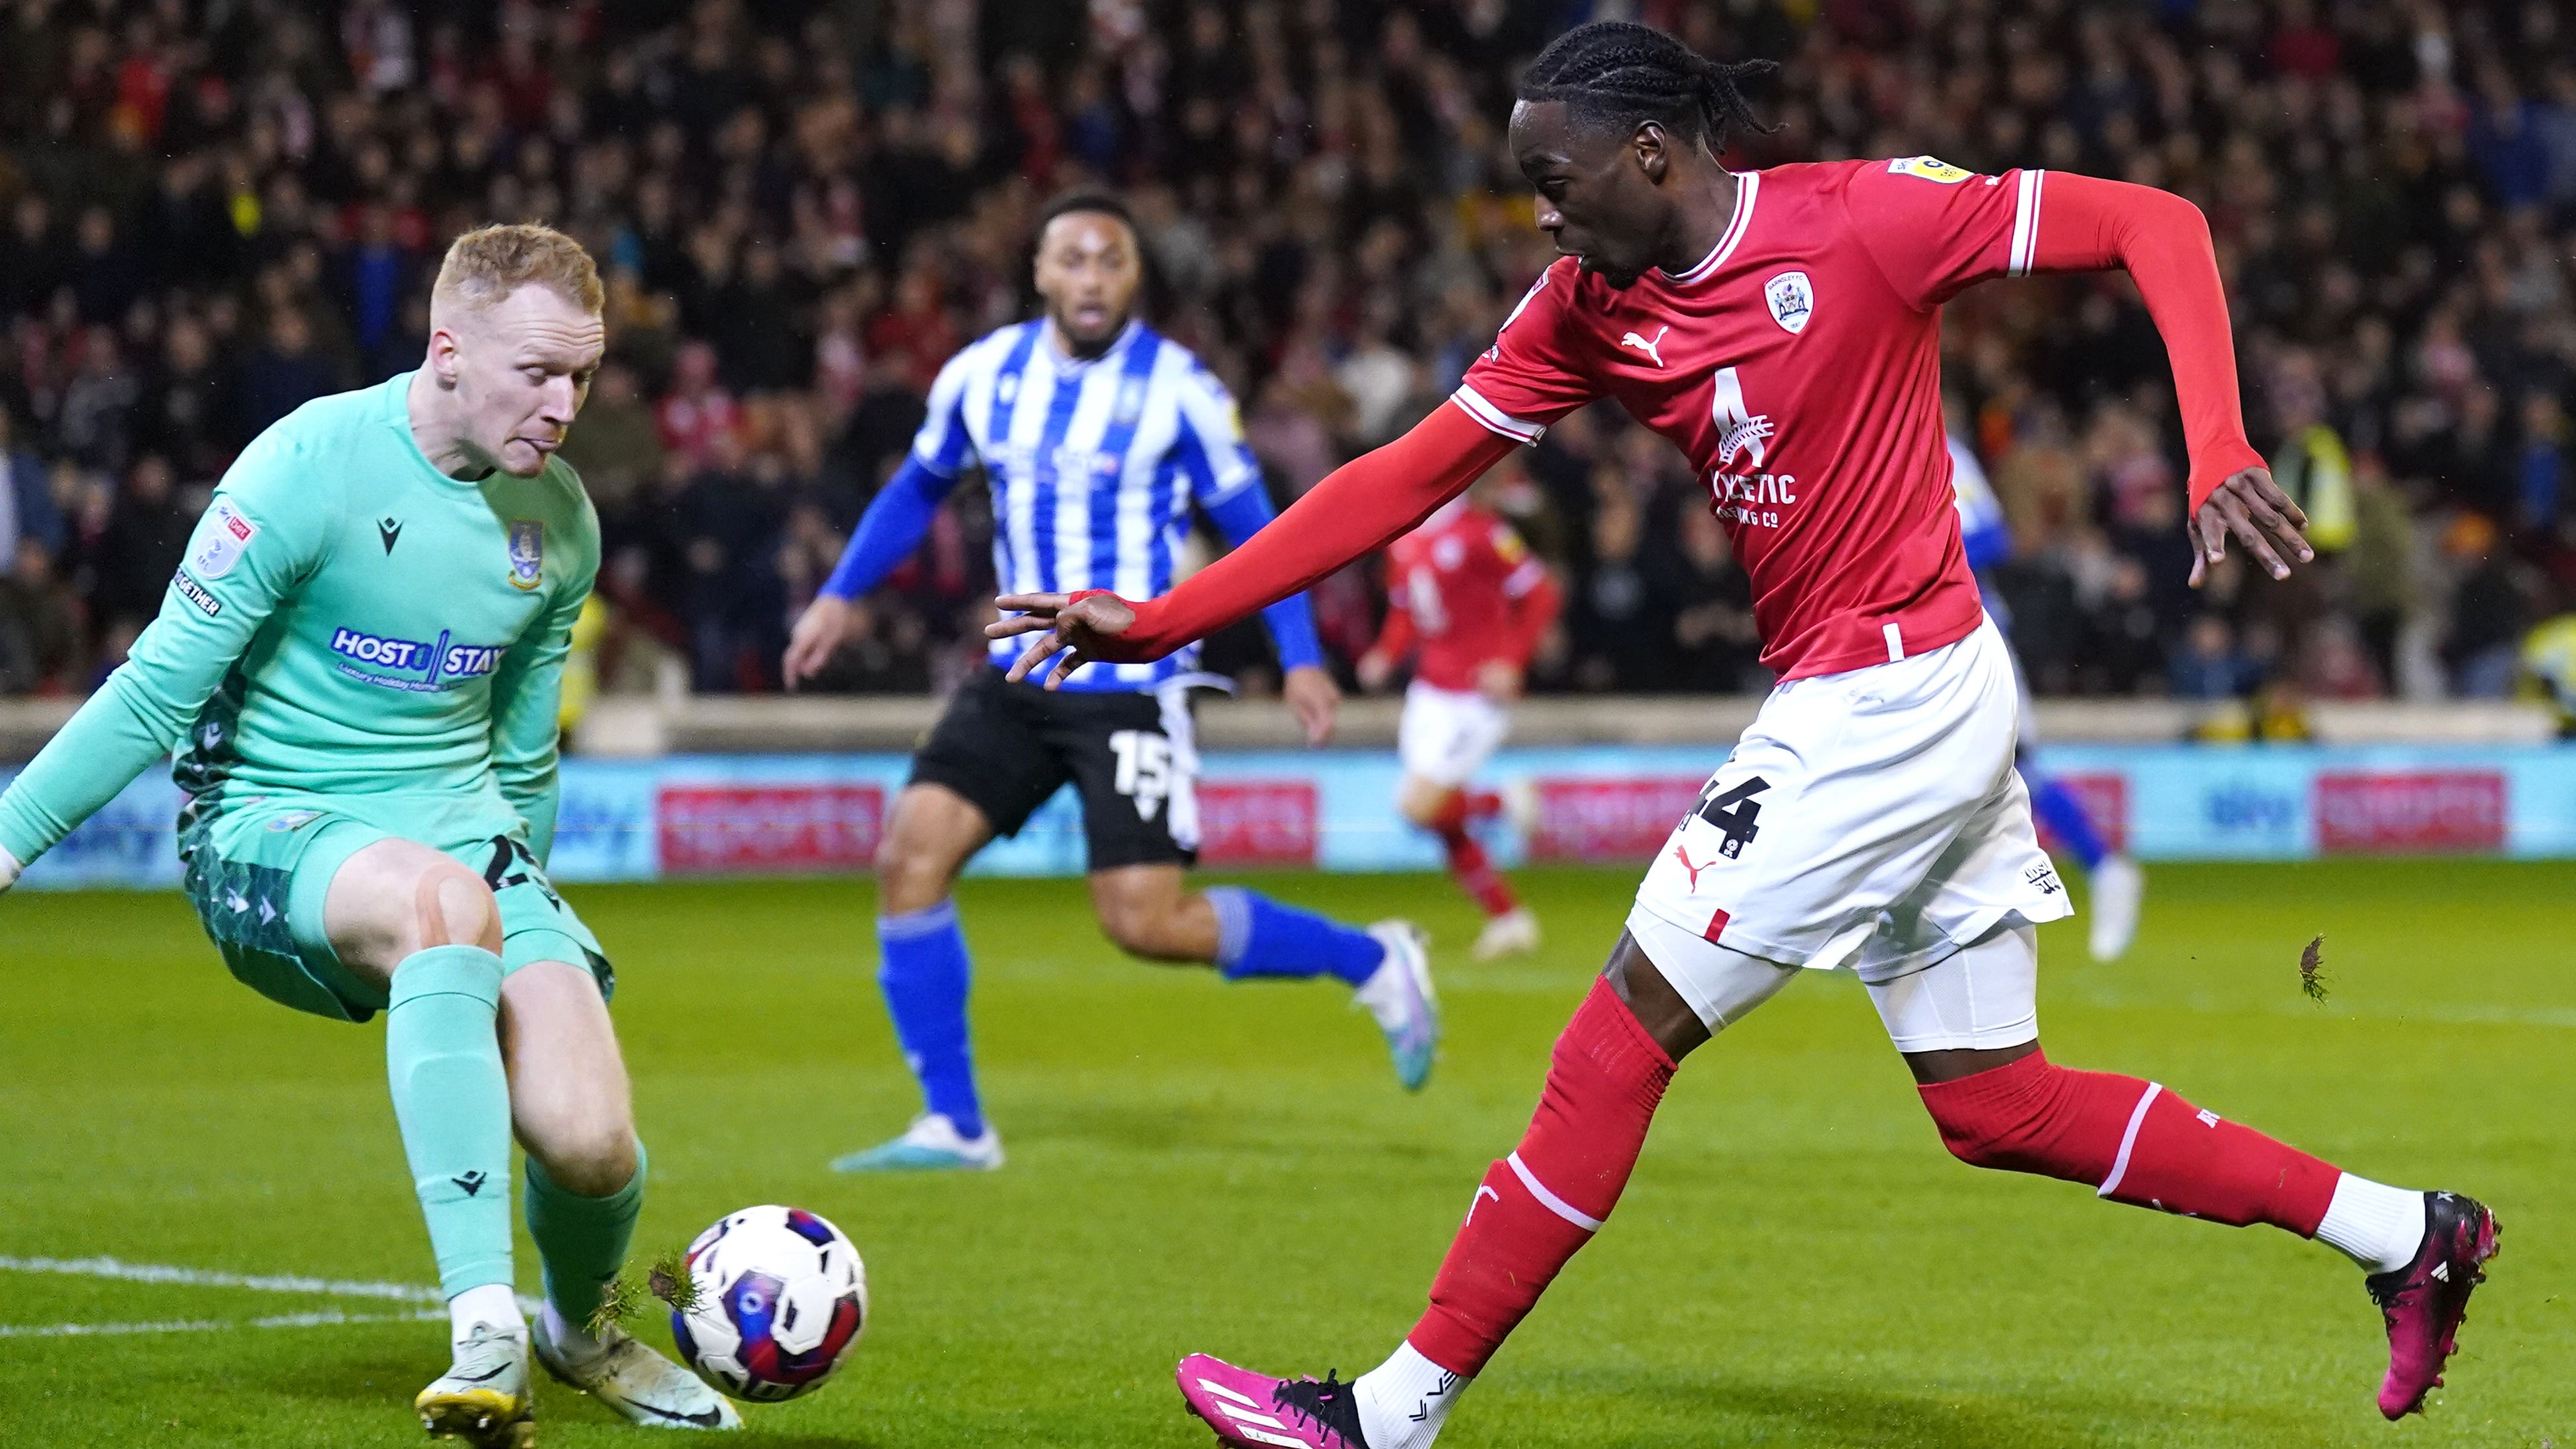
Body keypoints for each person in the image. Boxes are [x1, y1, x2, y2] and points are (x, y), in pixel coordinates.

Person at [990, 24, 2496, 1446]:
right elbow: (1410, 470)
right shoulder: (1586, 304)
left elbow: (2154, 220)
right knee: (1996, 1102)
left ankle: (1382, 1412)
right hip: (1895, 694)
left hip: (1885, 703)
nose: (1539, 220)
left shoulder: (1867, 222)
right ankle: (2407, 1233)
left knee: (1617, 1035)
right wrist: (1178, 611)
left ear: (1649, 154)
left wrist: (2215, 437)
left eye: (1554, 183)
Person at [0, 225, 735, 1444]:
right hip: (275, 828)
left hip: (467, 840)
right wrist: (12, 835)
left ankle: (582, 1329)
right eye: (537, 374)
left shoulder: (559, 523)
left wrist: (534, 931)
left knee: (594, 1145)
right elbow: (152, 693)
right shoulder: (306, 467)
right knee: (438, 903)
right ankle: (483, 1323)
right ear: (448, 350)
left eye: (585, 377)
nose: (565, 407)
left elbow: (520, 756)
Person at [783, 191, 1438, 1175]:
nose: (1090, 277)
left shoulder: (1180, 388)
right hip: (1016, 672)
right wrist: (840, 594)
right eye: (1072, 259)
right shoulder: (983, 374)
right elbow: (918, 484)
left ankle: (1375, 959)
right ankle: (954, 1122)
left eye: (1110, 260)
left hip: (1132, 681)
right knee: (908, 856)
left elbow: (1259, 525)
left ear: (1135, 276)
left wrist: (1299, 651)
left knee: (1144, 920)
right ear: (1040, 273)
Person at [1948, 424, 2147, 960]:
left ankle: (2105, 867)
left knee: (2018, 765)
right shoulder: (1852, 447)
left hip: (1968, 634)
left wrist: (1907, 562)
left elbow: (1992, 537)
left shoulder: (1939, 449)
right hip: (1892, 647)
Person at [1355, 469, 1560, 959]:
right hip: (1428, 691)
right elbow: (1407, 610)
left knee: (1418, 806)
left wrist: (1511, 661)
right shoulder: (1402, 542)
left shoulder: (1485, 531)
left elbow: (1541, 593)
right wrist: (1386, 652)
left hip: (1474, 695)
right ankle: (1508, 917)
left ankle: (1502, 802)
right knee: (1438, 817)